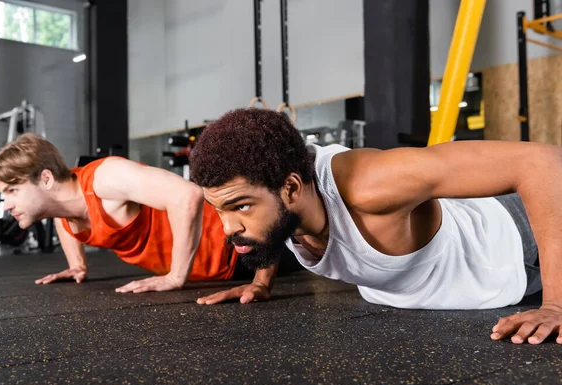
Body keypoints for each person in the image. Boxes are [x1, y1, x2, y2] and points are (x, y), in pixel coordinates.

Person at [189, 107, 562, 346]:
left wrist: (556, 306)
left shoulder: (371, 184)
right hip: (467, 271)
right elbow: (273, 219)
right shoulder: (279, 198)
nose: (227, 227)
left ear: (291, 188)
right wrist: (260, 283)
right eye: (219, 209)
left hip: (511, 244)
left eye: (238, 207)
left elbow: (540, 162)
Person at [0, 133, 238, 293]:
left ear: (46, 179)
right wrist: (77, 266)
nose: (7, 204)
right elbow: (61, 217)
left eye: (12, 190)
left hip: (238, 248)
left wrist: (175, 277)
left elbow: (187, 195)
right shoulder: (62, 207)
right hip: (209, 279)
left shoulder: (105, 179)